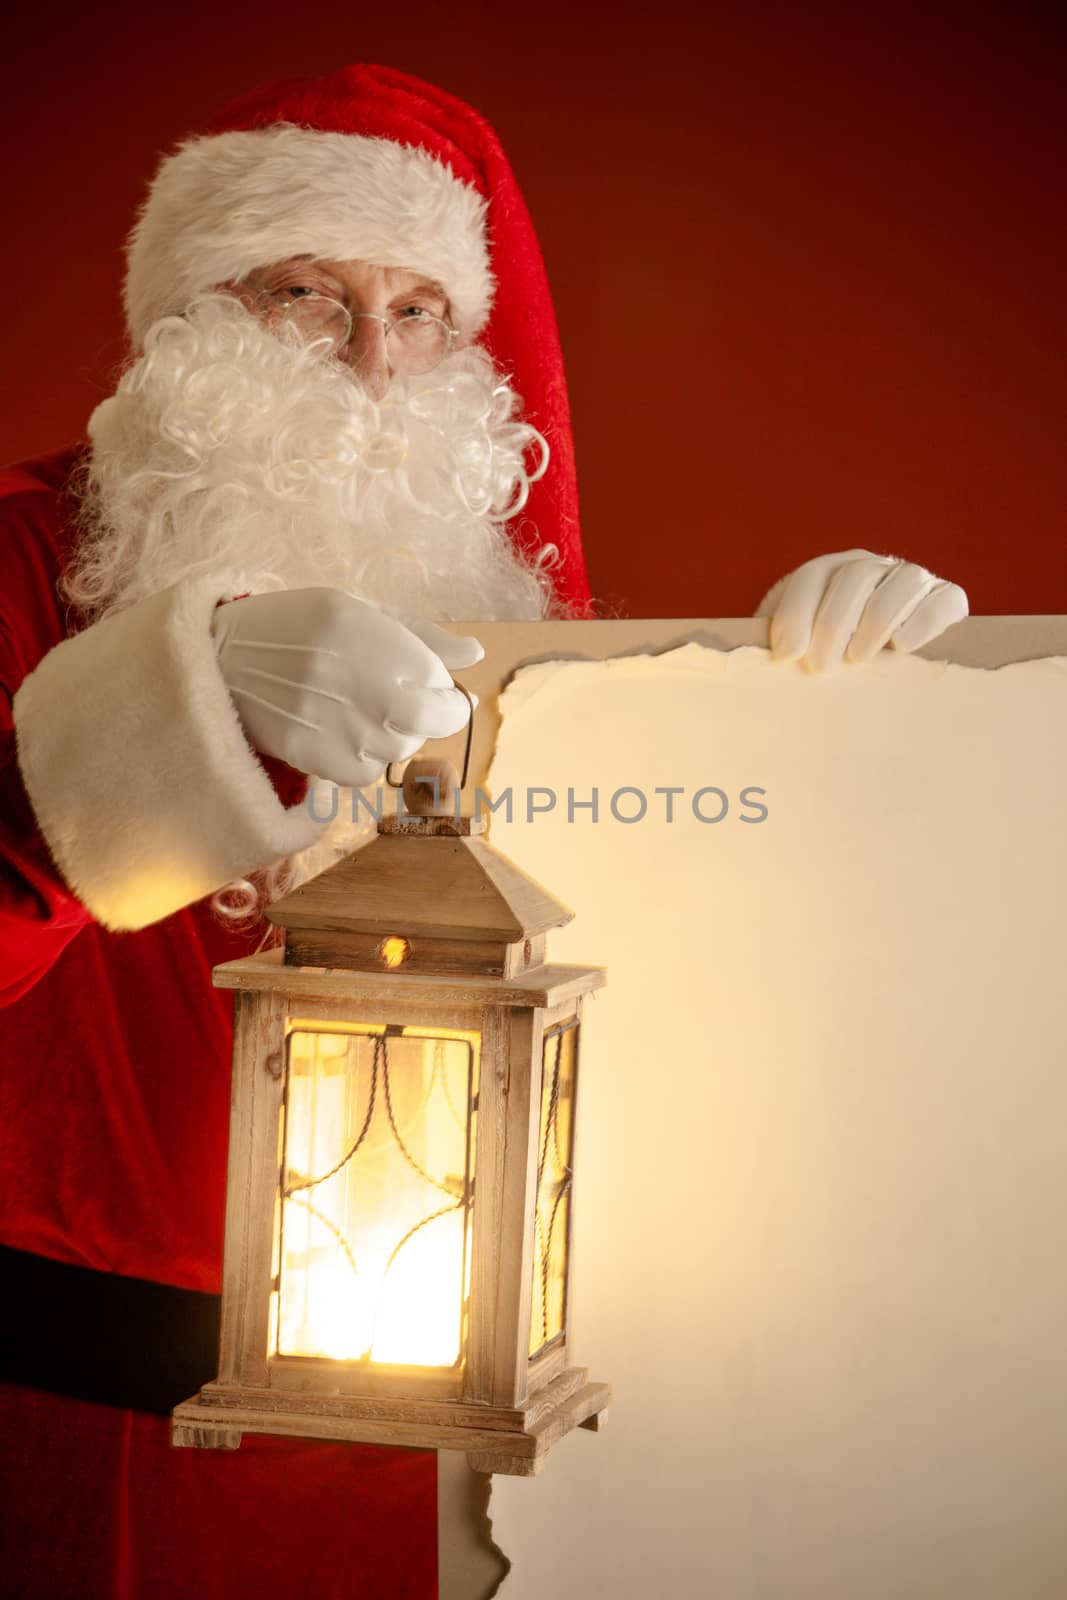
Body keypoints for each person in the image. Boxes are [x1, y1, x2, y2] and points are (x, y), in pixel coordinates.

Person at [0, 62, 966, 1600]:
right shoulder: (28, 548)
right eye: (306, 294)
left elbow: (657, 953)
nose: (376, 359)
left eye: (422, 310)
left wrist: (840, 719)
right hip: (111, 1428)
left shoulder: (485, 576)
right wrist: (162, 712)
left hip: (468, 1439)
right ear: (190, 315)